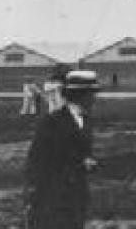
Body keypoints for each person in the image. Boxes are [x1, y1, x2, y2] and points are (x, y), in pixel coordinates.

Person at [23, 69, 101, 229]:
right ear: (79, 96)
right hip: (53, 196)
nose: (94, 99)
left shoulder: (86, 120)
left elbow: (82, 150)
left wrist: (88, 160)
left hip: (77, 194)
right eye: (91, 94)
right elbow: (36, 159)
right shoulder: (51, 122)